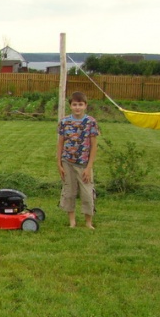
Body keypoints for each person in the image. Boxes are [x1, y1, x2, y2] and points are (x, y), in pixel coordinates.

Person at [57, 91, 100, 229]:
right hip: (67, 162)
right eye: (74, 104)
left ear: (85, 106)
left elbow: (94, 145)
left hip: (84, 164)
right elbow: (60, 143)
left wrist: (89, 167)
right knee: (69, 192)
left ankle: (88, 222)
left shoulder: (91, 122)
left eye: (80, 104)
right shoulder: (64, 122)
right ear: (70, 106)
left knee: (87, 193)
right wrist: (59, 163)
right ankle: (72, 221)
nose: (77, 107)